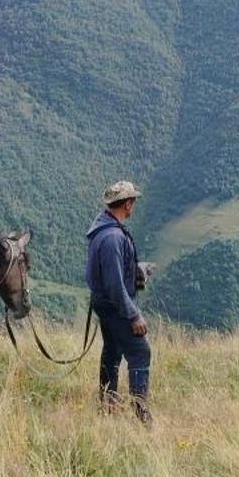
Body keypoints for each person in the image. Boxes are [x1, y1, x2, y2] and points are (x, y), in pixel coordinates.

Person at [85, 179, 151, 425]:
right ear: (127, 204)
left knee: (112, 352)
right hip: (115, 306)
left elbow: (111, 273)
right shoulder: (113, 237)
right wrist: (133, 315)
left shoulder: (103, 230)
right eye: (132, 201)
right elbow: (114, 284)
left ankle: (107, 406)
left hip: (104, 303)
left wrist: (135, 270)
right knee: (140, 352)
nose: (133, 206)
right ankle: (141, 416)